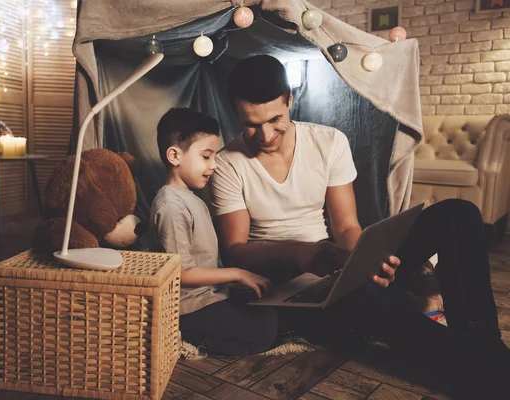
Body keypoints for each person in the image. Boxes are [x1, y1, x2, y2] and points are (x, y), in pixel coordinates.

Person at [211, 54, 510, 397]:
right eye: (251, 124)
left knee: (459, 212)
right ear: (236, 113)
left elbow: (346, 225)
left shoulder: (328, 141)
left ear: (290, 100)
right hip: (285, 286)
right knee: (370, 300)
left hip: (336, 262)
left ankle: (484, 342)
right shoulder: (227, 163)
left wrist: (367, 262)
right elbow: (236, 252)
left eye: (275, 119)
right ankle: (495, 375)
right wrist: (299, 253)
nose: (265, 134)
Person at [149, 107, 278, 356]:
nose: (213, 166)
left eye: (214, 157)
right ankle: (191, 341)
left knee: (269, 312)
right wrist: (237, 274)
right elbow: (181, 273)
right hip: (188, 308)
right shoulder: (170, 205)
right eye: (206, 157)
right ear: (174, 155)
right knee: (264, 330)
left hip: (209, 297)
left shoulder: (190, 197)